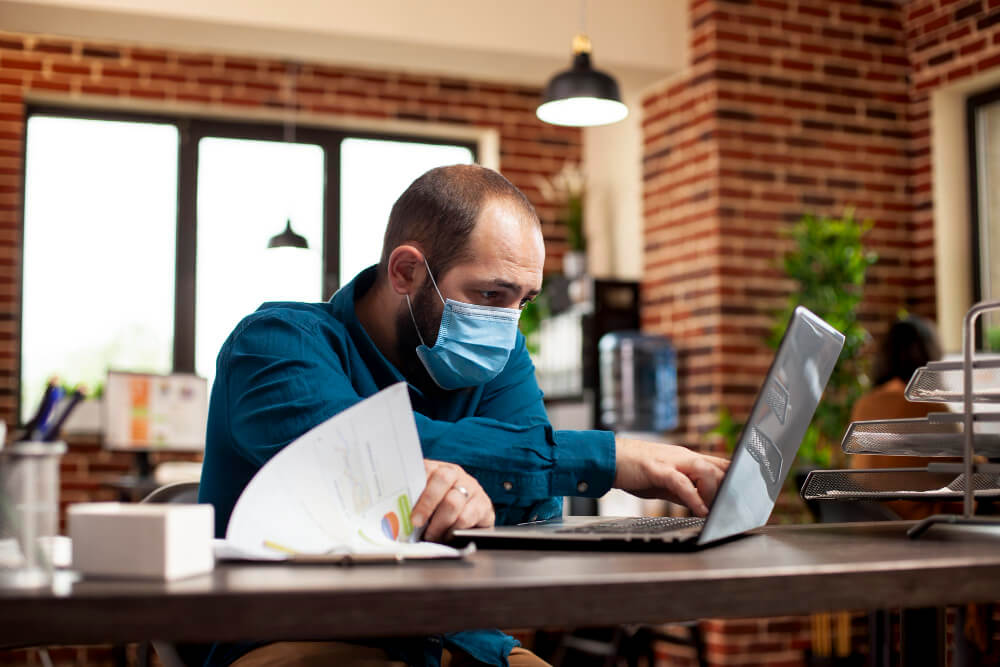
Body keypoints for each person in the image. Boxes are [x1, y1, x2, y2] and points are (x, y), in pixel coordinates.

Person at [198, 164, 729, 667]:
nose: (506, 321)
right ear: (406, 272)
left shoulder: (499, 358)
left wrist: (486, 494)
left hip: (461, 639)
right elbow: (366, 458)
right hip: (300, 638)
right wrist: (607, 458)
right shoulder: (273, 346)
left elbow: (532, 512)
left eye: (523, 300)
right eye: (490, 294)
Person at [849, 315, 949, 519]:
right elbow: (965, 475)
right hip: (919, 526)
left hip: (872, 521)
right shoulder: (932, 409)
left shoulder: (864, 404)